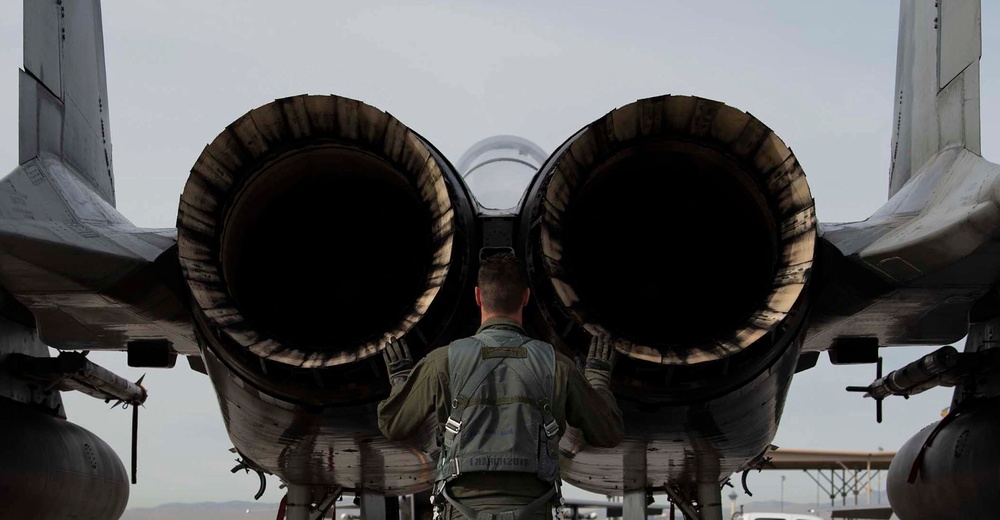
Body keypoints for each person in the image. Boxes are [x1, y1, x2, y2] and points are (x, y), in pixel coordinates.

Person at [376, 251, 624, 520]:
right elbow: (608, 432)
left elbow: (394, 424)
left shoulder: (441, 362)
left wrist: (401, 378)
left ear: (478, 296)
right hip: (533, 510)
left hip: (461, 512)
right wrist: (598, 377)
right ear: (526, 297)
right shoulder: (558, 366)